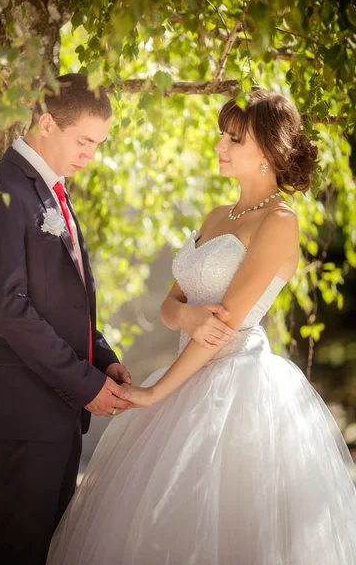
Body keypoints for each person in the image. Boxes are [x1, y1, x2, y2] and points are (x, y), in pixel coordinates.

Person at [47, 89, 356, 565]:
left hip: (238, 385)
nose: (221, 146)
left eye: (235, 138)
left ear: (270, 151)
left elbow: (224, 328)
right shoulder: (217, 216)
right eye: (222, 135)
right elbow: (172, 305)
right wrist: (188, 315)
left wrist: (154, 394)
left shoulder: (279, 221)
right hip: (189, 371)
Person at [0, 73, 151, 565]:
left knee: (51, 547)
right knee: (16, 549)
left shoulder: (54, 192)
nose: (91, 153)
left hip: (60, 403)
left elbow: (66, 303)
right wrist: (84, 382)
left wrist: (103, 359)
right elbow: (10, 308)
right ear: (47, 122)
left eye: (98, 143)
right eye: (84, 140)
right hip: (27, 404)